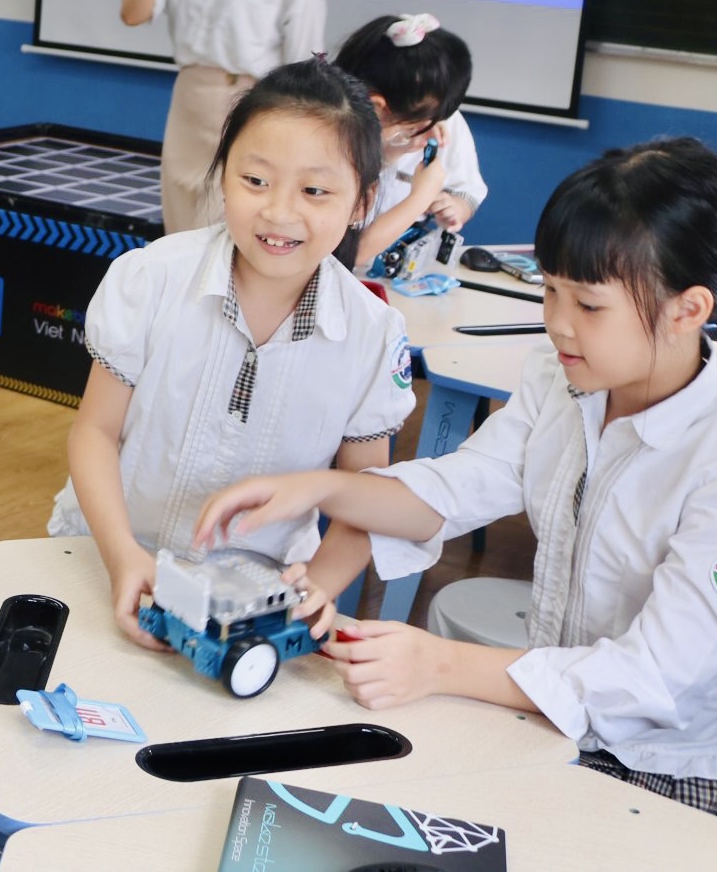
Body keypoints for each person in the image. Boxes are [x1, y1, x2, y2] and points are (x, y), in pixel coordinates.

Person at [194, 137, 717, 837]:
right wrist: (318, 489)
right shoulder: (562, 380)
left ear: (687, 310)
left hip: (675, 769)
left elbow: (658, 675)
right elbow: (457, 488)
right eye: (550, 289)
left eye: (588, 305)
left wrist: (439, 664)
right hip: (553, 722)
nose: (557, 322)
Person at [47, 58, 415, 650]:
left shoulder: (371, 334)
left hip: (255, 597)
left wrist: (318, 586)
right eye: (255, 181)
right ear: (223, 176)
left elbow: (365, 494)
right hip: (103, 550)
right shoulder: (151, 277)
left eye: (315, 191)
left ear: (361, 203)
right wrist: (122, 555)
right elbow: (95, 431)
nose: (279, 212)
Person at [120, 0, 326, 233]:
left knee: (224, 221)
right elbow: (132, 15)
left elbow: (305, 64)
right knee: (179, 220)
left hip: (253, 102)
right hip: (190, 95)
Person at [333, 13, 487, 267]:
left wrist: (455, 207)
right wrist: (421, 196)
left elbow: (467, 190)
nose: (433, 134)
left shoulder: (440, 120)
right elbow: (347, 255)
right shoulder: (328, 144)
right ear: (376, 108)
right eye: (417, 127)